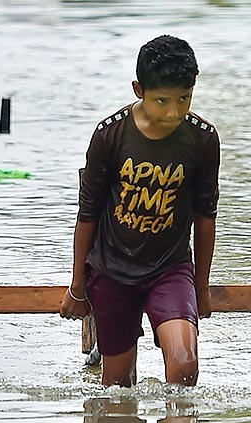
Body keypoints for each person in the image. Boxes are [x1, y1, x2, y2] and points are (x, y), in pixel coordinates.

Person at [59, 35, 220, 388]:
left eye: (184, 99)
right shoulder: (110, 135)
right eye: (161, 101)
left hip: (170, 268)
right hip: (112, 271)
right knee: (117, 386)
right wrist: (77, 284)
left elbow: (205, 216)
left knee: (185, 365)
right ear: (138, 90)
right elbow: (88, 213)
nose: (173, 112)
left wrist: (202, 287)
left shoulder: (203, 138)